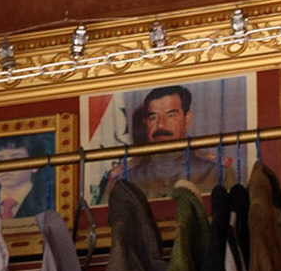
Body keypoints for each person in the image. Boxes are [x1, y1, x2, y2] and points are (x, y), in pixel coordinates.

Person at [94, 84, 228, 201]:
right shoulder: (122, 179)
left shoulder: (217, 172)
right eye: (153, 117)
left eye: (170, 116)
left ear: (186, 119)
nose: (161, 125)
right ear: (146, 122)